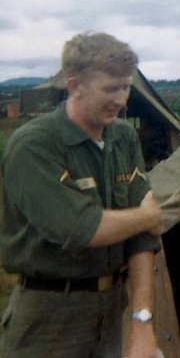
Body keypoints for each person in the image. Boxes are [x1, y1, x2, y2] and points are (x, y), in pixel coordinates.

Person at [0, 32, 163, 358]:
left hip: (110, 310)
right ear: (75, 86)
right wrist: (147, 214)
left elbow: (142, 239)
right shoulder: (34, 145)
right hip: (49, 315)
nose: (121, 99)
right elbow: (81, 228)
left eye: (125, 86)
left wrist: (142, 320)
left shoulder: (123, 137)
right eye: (110, 89)